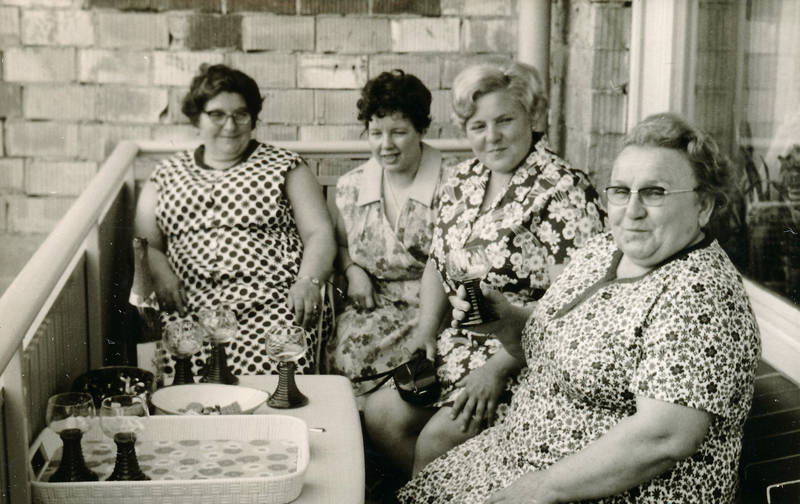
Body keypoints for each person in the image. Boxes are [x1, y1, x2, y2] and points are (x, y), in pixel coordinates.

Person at [398, 112, 761, 503]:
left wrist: (542, 487)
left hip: (612, 491)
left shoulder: (700, 293)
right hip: (524, 460)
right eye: (620, 191)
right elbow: (554, 345)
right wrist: (505, 321)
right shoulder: (604, 251)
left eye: (654, 192)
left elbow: (665, 436)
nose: (632, 210)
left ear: (703, 205)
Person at [364, 61, 606, 478]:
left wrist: (496, 369)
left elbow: (576, 305)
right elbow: (438, 261)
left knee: (437, 442)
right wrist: (425, 330)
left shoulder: (563, 189)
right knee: (381, 414)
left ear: (533, 117)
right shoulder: (462, 179)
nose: (491, 136)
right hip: (459, 349)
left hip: (524, 359)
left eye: (504, 120)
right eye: (478, 126)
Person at [134, 63, 336, 379]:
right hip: (189, 306)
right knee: (183, 386)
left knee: (270, 382)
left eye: (241, 114)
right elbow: (146, 244)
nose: (230, 125)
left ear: (253, 118)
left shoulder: (285, 166)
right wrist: (161, 273)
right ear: (197, 119)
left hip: (272, 304)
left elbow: (319, 232)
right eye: (217, 115)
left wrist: (308, 281)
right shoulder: (165, 175)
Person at [323, 70, 451, 404]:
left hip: (438, 308)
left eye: (399, 132)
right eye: (376, 133)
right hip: (376, 304)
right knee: (352, 353)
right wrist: (352, 270)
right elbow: (341, 243)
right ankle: (358, 431)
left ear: (421, 130)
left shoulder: (453, 184)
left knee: (429, 364)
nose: (385, 145)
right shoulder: (353, 186)